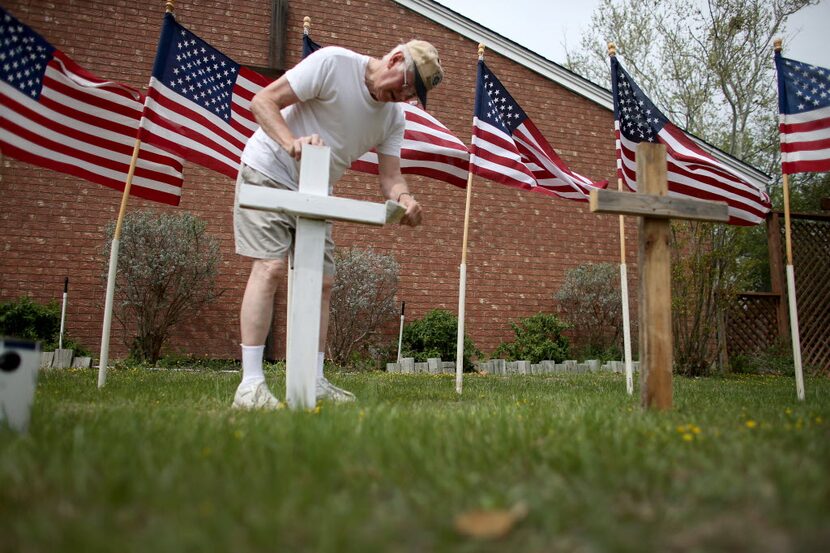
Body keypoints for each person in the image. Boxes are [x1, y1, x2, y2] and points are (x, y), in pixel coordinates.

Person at [232, 40, 444, 409]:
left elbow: (390, 177)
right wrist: (291, 143)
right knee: (270, 267)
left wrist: (405, 199)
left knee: (323, 283)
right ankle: (250, 385)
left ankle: (313, 381)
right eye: (406, 84)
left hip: (317, 191)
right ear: (394, 58)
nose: (404, 96)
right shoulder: (333, 64)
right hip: (268, 170)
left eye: (413, 93)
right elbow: (262, 101)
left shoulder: (393, 117)